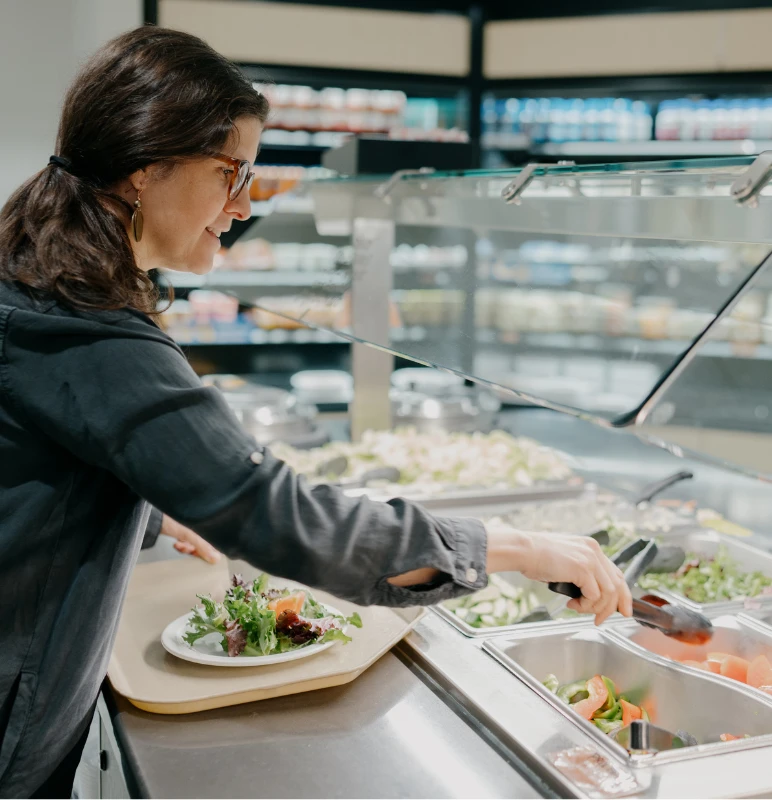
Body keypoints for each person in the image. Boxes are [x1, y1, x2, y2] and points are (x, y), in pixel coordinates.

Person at [0, 26, 632, 799]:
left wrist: (158, 511)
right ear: (145, 169)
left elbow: (48, 455)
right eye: (232, 173)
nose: (243, 205)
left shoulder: (37, 286)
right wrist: (511, 545)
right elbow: (278, 515)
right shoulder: (92, 334)